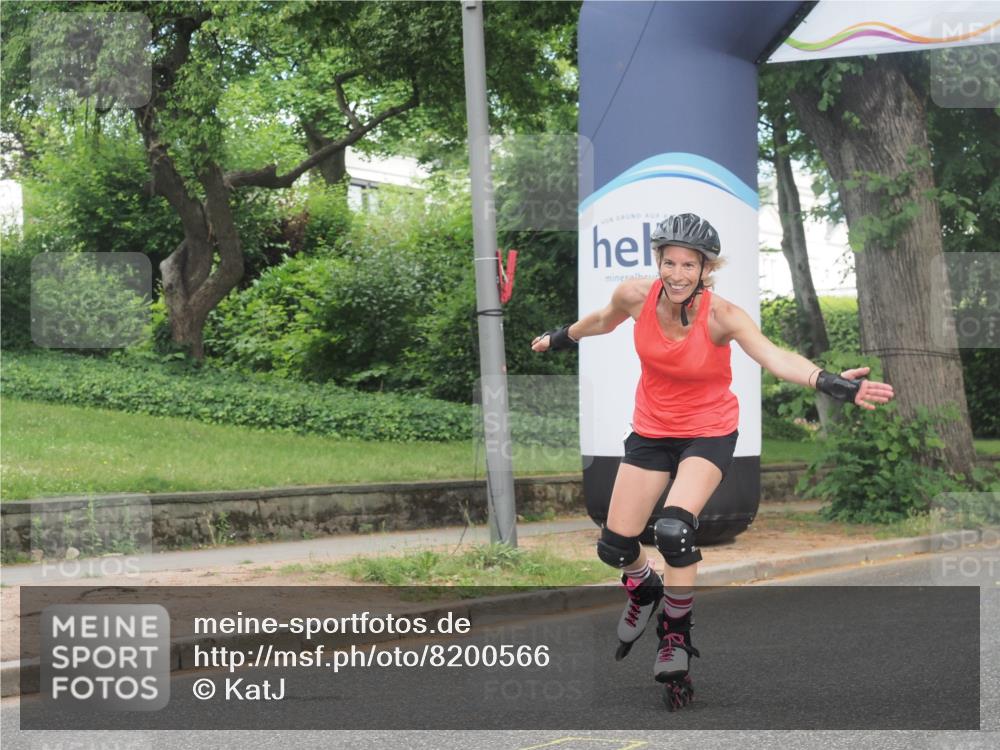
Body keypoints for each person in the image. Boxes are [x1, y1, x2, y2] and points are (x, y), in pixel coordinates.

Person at [531, 213, 894, 709]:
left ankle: (674, 633)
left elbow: (773, 356)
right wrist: (562, 336)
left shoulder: (722, 315)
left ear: (706, 268)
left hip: (708, 432)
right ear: (658, 260)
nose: (678, 274)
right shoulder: (636, 296)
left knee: (674, 531)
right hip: (651, 431)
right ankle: (642, 588)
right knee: (614, 547)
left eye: (689, 265)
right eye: (670, 262)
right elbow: (600, 321)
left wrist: (830, 382)